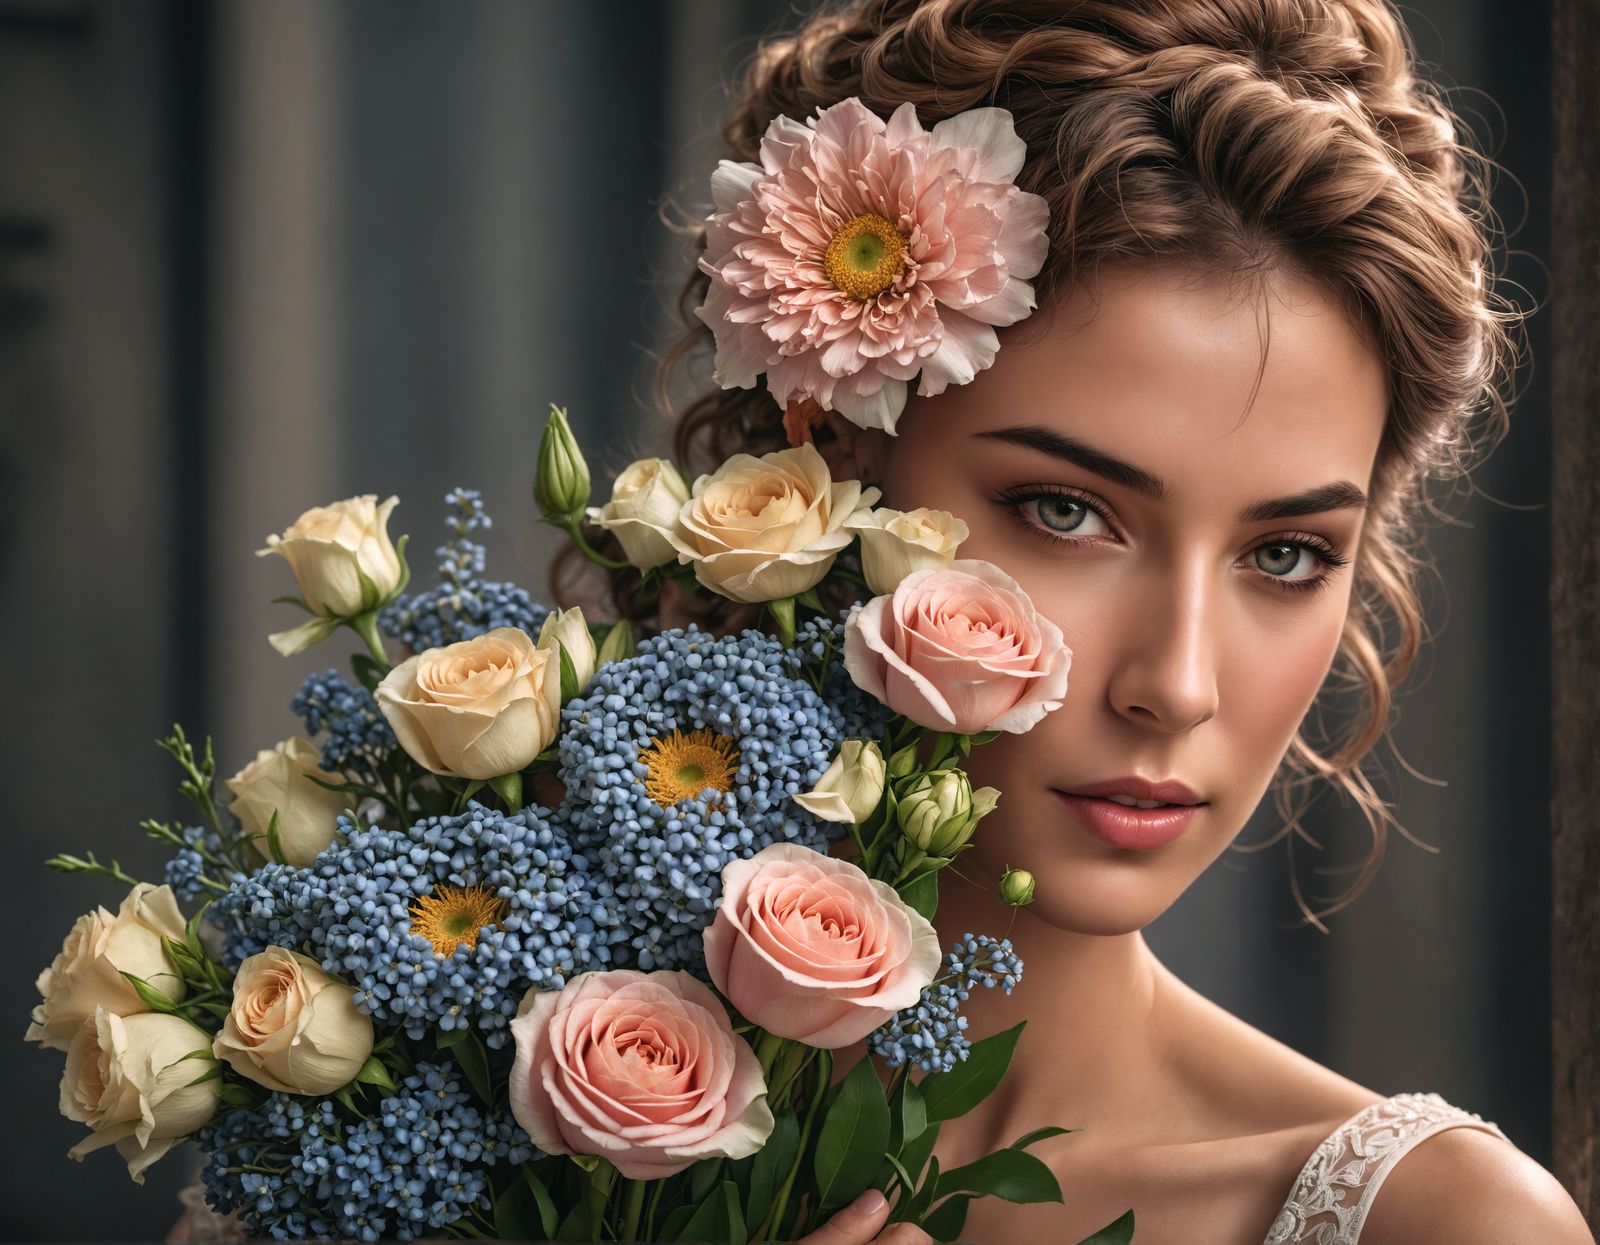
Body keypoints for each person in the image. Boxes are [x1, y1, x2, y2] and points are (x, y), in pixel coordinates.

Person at [591, 0, 1595, 1241]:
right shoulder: (478, 1082)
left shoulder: (1436, 1226)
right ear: (834, 453)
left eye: (1285, 554)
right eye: (1065, 513)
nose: (1175, 686)